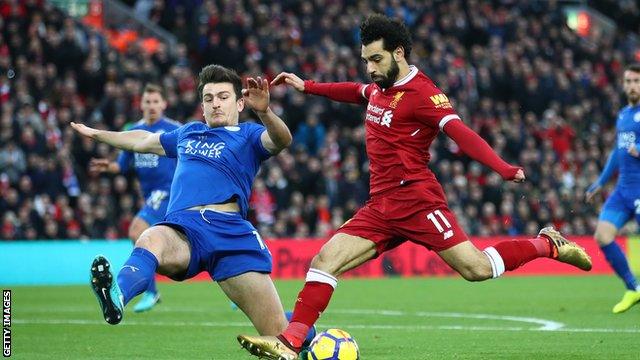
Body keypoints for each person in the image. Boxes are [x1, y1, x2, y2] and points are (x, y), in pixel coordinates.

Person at [237, 14, 592, 360]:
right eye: (366, 60)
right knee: (325, 260)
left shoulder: (424, 94)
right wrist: (308, 86)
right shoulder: (379, 87)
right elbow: (354, 91)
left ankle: (548, 244)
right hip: (380, 206)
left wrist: (502, 168)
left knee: (477, 269)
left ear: (399, 53)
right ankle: (290, 342)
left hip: (419, 202)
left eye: (376, 59)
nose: (370, 68)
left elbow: (460, 133)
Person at [72, 64, 294, 337]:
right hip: (183, 229)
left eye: (223, 97)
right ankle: (117, 298)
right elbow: (141, 141)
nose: (216, 104)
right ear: (202, 106)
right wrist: (97, 134)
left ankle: (310, 335)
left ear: (239, 103)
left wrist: (265, 112)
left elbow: (282, 139)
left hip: (229, 233)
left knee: (279, 335)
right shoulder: (188, 133)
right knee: (149, 238)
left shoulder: (248, 135)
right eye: (209, 99)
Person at [89, 83, 179, 312]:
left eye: (155, 101)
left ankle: (150, 292)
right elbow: (122, 165)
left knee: (136, 231)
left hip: (170, 191)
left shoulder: (173, 129)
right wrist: (107, 166)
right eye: (147, 101)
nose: (151, 106)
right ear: (141, 104)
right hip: (151, 197)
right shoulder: (134, 129)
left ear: (164, 104)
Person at [586, 63, 640, 314]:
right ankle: (633, 287)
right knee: (603, 236)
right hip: (622, 191)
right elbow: (618, 154)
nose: (632, 86)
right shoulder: (623, 115)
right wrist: (600, 182)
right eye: (628, 81)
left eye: (636, 81)